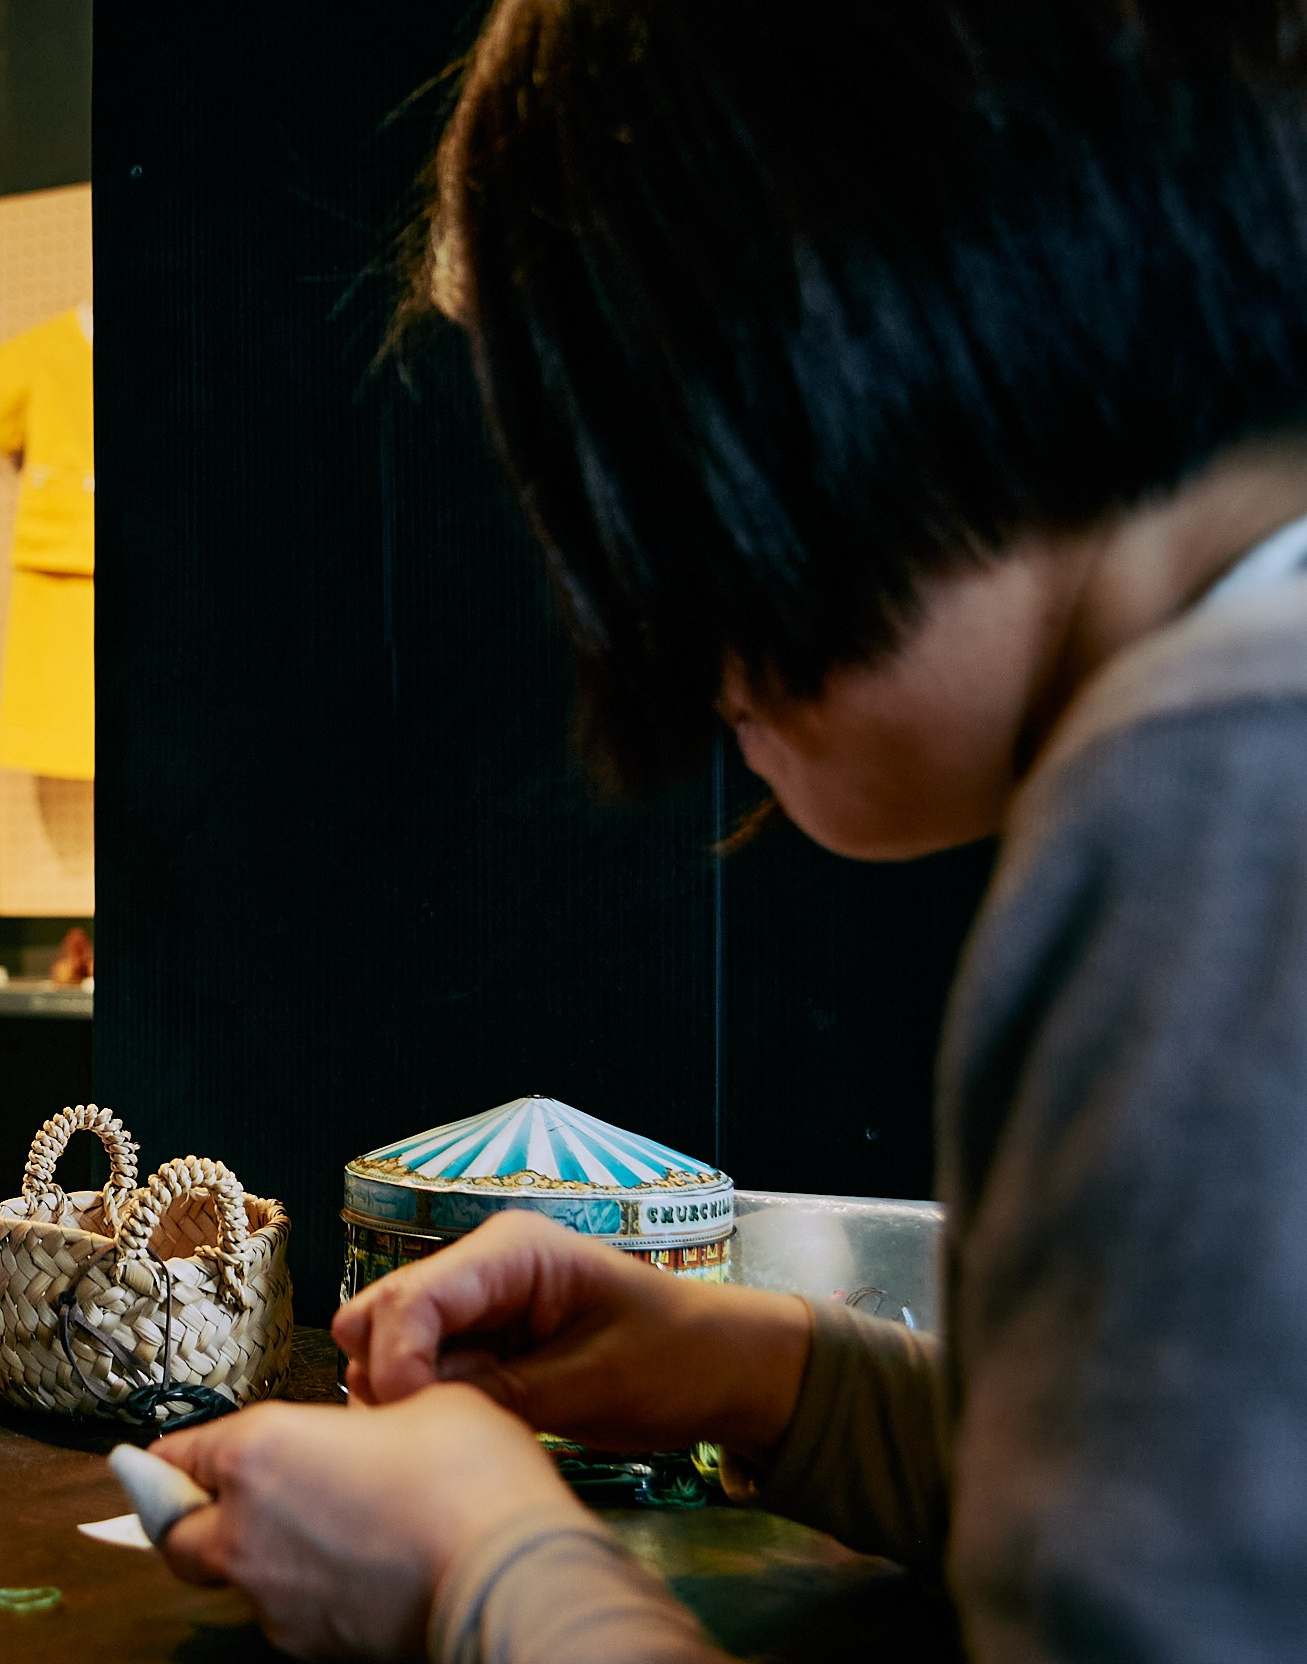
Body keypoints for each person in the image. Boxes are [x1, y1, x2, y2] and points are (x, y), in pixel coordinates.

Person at [152, 3, 1307, 1658]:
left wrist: (478, 1572)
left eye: (634, 472)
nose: (633, 620)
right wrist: (753, 1366)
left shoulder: (1213, 790)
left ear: (846, 323)